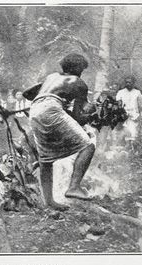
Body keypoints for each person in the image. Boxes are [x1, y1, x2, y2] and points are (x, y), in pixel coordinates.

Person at [27, 53, 96, 211]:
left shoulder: (52, 76)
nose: (81, 73)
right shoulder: (79, 83)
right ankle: (74, 187)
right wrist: (91, 113)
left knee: (45, 160)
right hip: (51, 108)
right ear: (77, 68)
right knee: (88, 146)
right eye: (81, 69)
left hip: (35, 110)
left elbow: (27, 94)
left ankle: (49, 201)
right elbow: (79, 117)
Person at [116, 76, 142, 150]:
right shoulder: (121, 92)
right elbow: (118, 104)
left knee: (133, 133)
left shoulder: (137, 92)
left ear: (133, 83)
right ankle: (127, 149)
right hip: (124, 115)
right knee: (125, 133)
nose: (128, 84)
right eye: (126, 82)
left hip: (134, 115)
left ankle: (132, 149)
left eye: (130, 82)